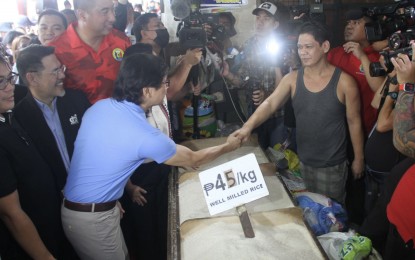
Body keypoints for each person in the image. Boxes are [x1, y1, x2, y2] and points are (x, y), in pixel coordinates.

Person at [61, 53, 241, 259]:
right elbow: (193, 159)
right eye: (164, 83)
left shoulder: (100, 107)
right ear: (146, 91)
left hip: (89, 209)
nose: (167, 88)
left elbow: (104, 157)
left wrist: (117, 193)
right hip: (92, 217)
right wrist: (228, 146)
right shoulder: (144, 134)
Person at [234, 21, 364, 203]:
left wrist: (359, 158)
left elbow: (354, 122)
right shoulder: (292, 79)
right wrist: (247, 127)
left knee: (332, 217)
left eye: (309, 47)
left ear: (325, 46)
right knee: (308, 210)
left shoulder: (345, 82)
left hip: (332, 165)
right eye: (299, 47)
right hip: (303, 161)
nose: (302, 52)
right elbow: (270, 103)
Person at [0, 45, 62, 260]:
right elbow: (11, 214)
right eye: (1, 82)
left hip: (50, 226)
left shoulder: (9, 116)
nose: (10, 87)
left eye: (10, 78)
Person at [14, 45, 90, 189]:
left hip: (89, 191)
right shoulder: (19, 119)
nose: (62, 75)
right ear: (32, 78)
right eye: (55, 71)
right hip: (51, 203)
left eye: (61, 68)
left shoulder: (77, 101)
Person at [222, 1, 293, 150]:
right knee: (257, 154)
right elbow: (242, 81)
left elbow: (290, 89)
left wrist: (266, 94)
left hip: (278, 116)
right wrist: (228, 74)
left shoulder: (286, 48)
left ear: (275, 24)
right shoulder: (249, 46)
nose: (260, 23)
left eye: (266, 19)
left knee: (279, 156)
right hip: (253, 114)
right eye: (258, 18)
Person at [49, 0, 131, 103]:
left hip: (121, 115)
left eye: (113, 9)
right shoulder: (56, 51)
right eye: (104, 11)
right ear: (82, 15)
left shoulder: (121, 41)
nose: (113, 18)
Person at [327, 9, 383, 136]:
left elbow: (380, 89)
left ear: (370, 28)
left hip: (365, 128)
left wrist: (363, 57)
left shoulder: (378, 57)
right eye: (348, 23)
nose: (349, 26)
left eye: (356, 22)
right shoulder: (335, 53)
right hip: (335, 128)